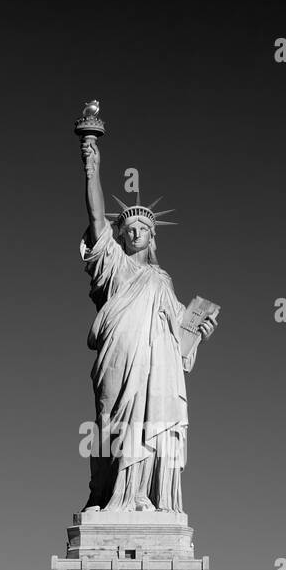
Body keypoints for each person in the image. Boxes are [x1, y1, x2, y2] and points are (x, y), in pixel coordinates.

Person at [78, 132, 217, 512]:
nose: (136, 232)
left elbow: (178, 336)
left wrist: (198, 334)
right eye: (129, 229)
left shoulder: (162, 280)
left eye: (143, 229)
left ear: (152, 237)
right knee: (110, 420)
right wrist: (92, 166)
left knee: (148, 421)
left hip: (154, 366)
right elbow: (94, 216)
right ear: (120, 236)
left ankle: (139, 495)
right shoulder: (114, 264)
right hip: (117, 354)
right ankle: (106, 494)